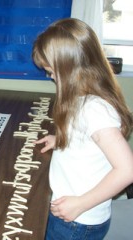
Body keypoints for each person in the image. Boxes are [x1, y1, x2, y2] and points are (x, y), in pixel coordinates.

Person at [32, 18, 133, 239]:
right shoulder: (81, 98)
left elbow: (127, 170)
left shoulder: (94, 109)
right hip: (73, 213)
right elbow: (85, 138)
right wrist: (61, 139)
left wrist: (79, 204)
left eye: (51, 71)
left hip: (77, 221)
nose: (50, 77)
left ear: (70, 67)